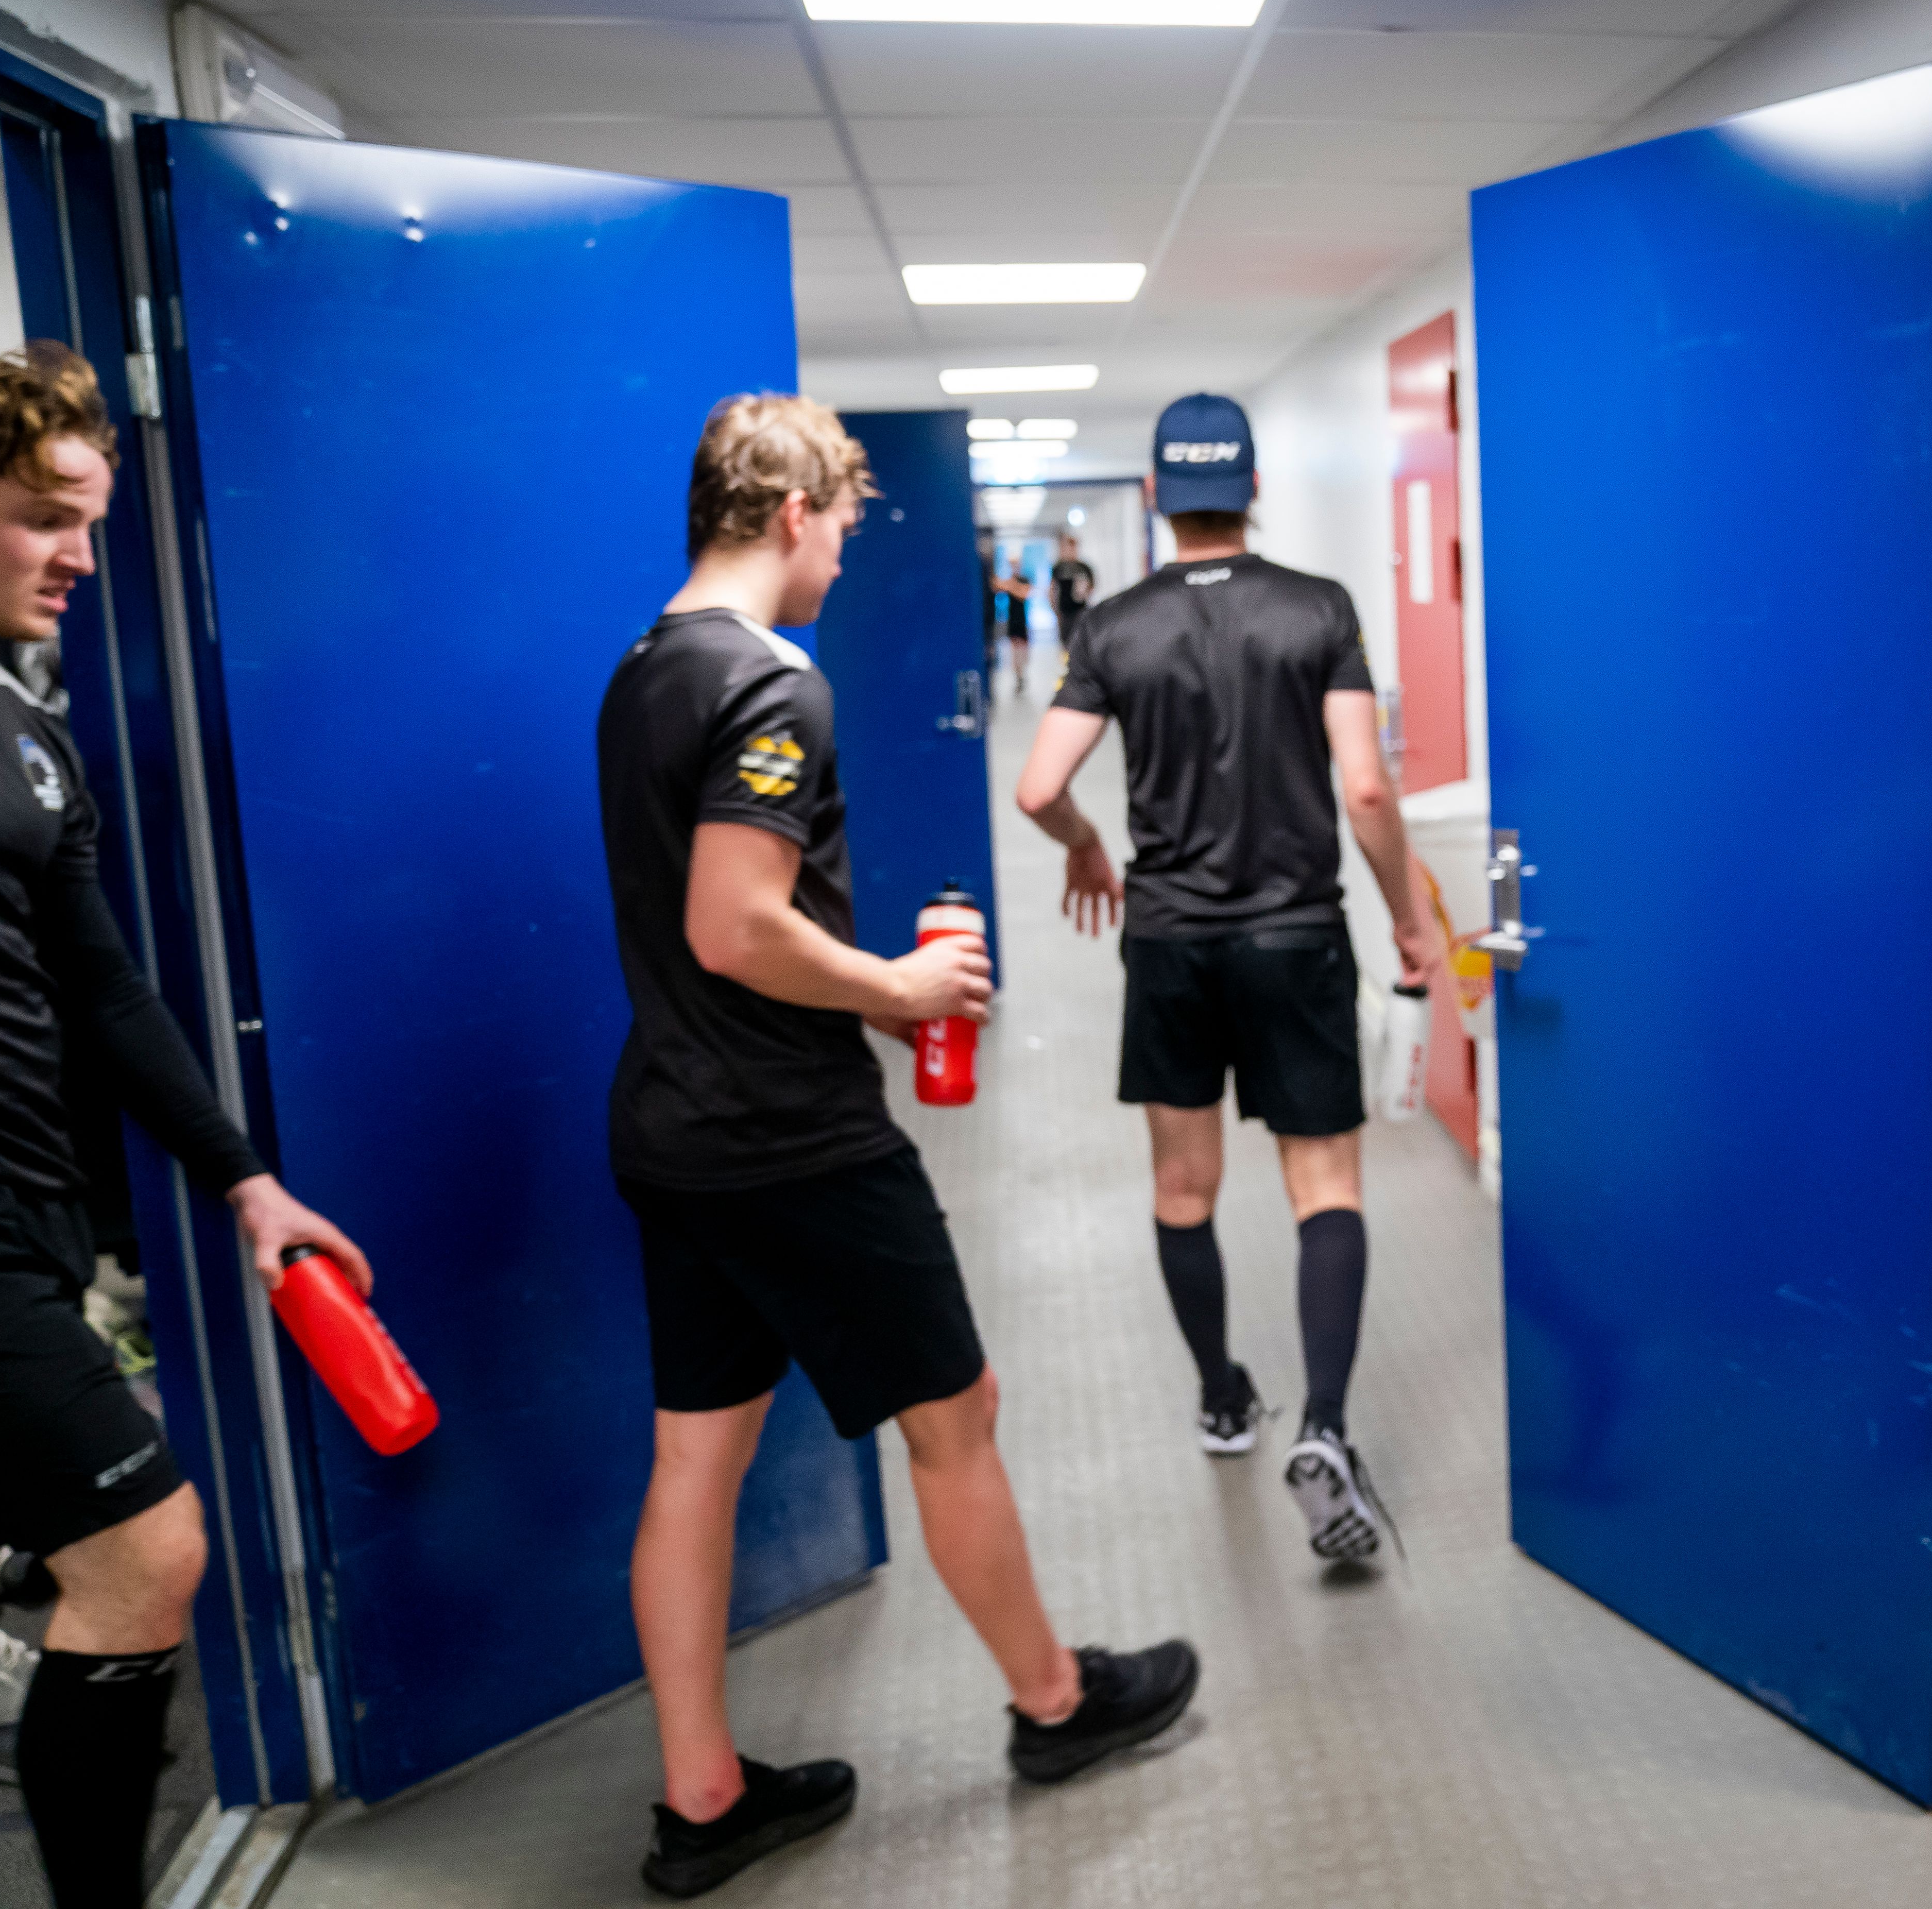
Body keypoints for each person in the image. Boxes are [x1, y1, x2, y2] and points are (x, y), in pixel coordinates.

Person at [596, 394, 1196, 1898]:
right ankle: (1056, 1702)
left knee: (695, 1455)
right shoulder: (768, 682)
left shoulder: (641, 668)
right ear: (793, 511)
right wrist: (900, 990)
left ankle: (702, 1797)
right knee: (956, 1410)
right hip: (788, 1137)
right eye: (844, 531)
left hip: (672, 1123)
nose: (844, 561)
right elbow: (733, 924)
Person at [0, 344, 373, 1909]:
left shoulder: (19, 728)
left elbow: (103, 988)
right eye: (41, 518)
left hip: (31, 1214)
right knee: (148, 1551)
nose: (79, 557)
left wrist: (245, 1182)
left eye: (90, 522)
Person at [1014, 393, 1442, 1565]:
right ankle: (1327, 1428)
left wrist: (1087, 848)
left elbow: (1040, 787)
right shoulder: (1319, 608)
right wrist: (1409, 923)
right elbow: (1366, 789)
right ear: (1251, 489)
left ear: (1159, 494)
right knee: (1325, 1183)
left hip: (1169, 940)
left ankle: (1220, 1398)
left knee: (1183, 1187)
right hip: (1296, 935)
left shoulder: (1113, 627)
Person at [990, 547, 1034, 697]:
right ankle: (1019, 677)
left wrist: (1010, 586)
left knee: (1024, 652)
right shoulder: (1009, 580)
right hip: (1012, 621)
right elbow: (995, 585)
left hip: (1023, 621)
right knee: (1015, 651)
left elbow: (1024, 593)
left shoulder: (1024, 579)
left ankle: (1022, 673)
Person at [1048, 531, 1096, 647]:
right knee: (1067, 644)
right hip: (1065, 612)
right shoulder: (1059, 567)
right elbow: (1052, 590)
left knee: (1081, 642)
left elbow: (1092, 586)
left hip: (1081, 611)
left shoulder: (1084, 567)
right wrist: (1055, 611)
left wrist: (1084, 592)